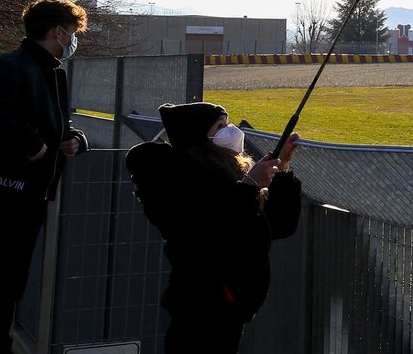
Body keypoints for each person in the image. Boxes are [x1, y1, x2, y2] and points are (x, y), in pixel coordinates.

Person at [126, 102, 301, 354]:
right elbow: (214, 230)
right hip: (202, 308)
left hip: (232, 308)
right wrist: (250, 186)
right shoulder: (181, 181)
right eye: (220, 126)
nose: (230, 131)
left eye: (228, 124)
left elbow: (277, 226)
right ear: (199, 135)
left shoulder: (229, 175)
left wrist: (281, 167)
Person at [0, 0, 89, 354]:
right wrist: (34, 147)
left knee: (11, 282)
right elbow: (2, 116)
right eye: (73, 32)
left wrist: (75, 140)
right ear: (58, 32)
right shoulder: (13, 67)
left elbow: (55, 123)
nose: (73, 39)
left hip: (28, 194)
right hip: (10, 195)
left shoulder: (47, 71)